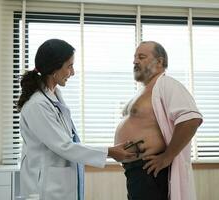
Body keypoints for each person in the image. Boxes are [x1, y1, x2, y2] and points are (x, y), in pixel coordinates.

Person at [17, 39, 136, 200]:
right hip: (43, 187)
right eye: (70, 66)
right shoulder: (37, 105)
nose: (72, 73)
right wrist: (110, 151)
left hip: (57, 182)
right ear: (54, 68)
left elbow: (67, 140)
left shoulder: (54, 96)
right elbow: (65, 146)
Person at [114, 41, 203, 200]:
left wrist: (167, 156)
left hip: (152, 170)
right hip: (137, 171)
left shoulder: (168, 85)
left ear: (160, 62)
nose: (135, 61)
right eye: (134, 57)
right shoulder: (145, 91)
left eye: (141, 57)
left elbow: (191, 119)